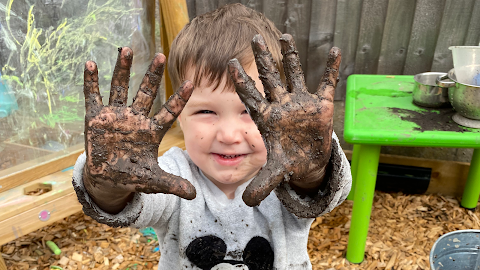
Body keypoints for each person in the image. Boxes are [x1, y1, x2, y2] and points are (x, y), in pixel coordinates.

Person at [73, 3, 351, 269]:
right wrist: (108, 186)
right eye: (206, 111)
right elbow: (124, 205)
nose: (229, 135)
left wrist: (312, 170)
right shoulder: (172, 176)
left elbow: (323, 195)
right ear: (179, 117)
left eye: (251, 112)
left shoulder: (288, 174)